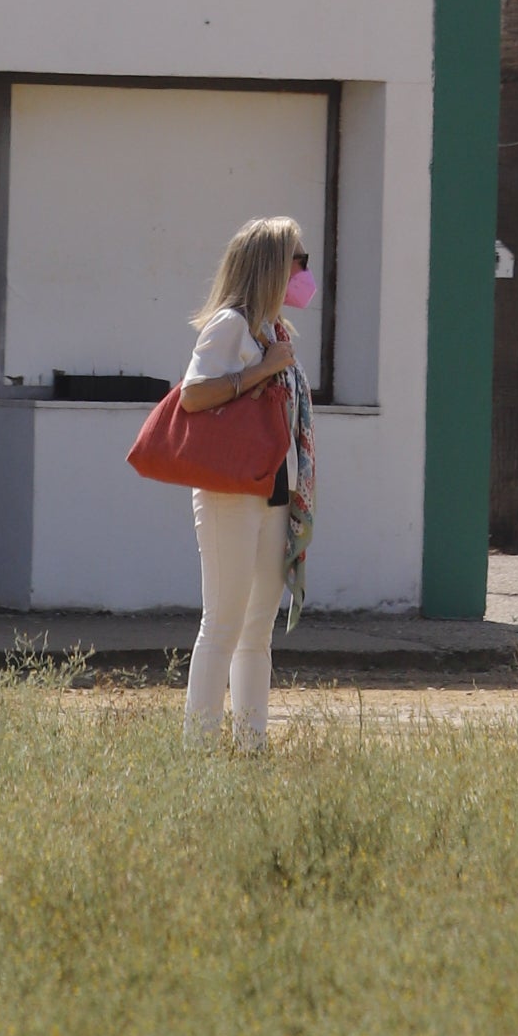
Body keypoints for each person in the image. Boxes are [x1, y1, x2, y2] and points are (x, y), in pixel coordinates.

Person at [178, 212, 318, 748]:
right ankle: (200, 750)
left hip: (272, 494)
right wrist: (260, 370)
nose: (305, 272)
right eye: (298, 260)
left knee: (256, 629)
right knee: (223, 624)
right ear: (271, 266)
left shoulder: (273, 330)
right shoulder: (231, 324)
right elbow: (194, 394)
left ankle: (251, 746)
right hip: (230, 494)